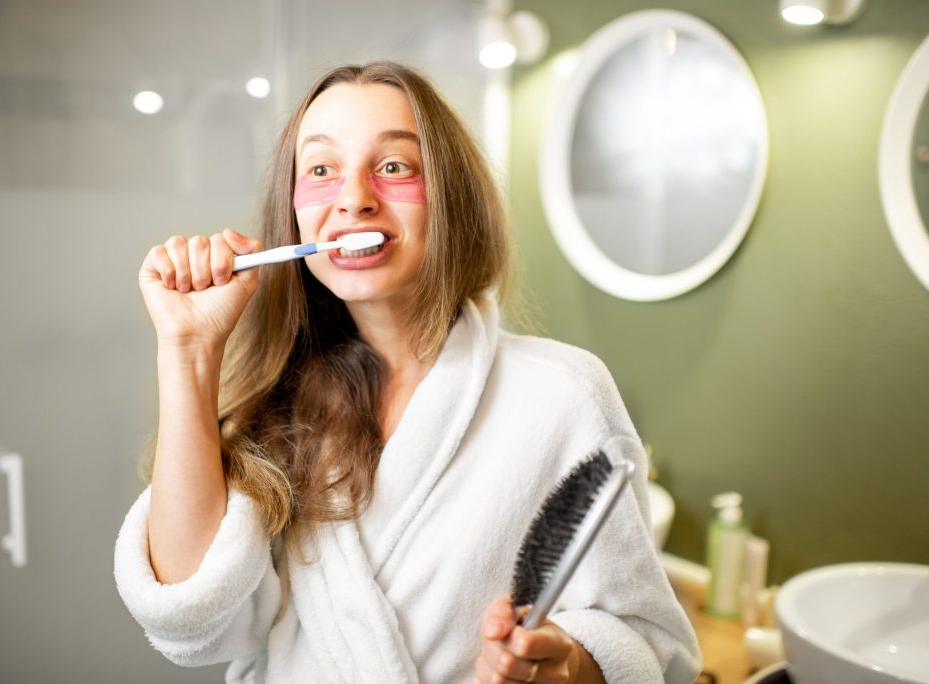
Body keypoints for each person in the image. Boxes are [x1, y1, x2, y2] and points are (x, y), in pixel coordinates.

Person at [114, 61, 700, 684]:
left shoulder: (564, 397)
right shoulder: (279, 403)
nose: (352, 197)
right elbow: (191, 622)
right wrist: (187, 351)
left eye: (394, 166)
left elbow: (649, 647)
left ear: (450, 196)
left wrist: (569, 666)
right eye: (320, 170)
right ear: (293, 212)